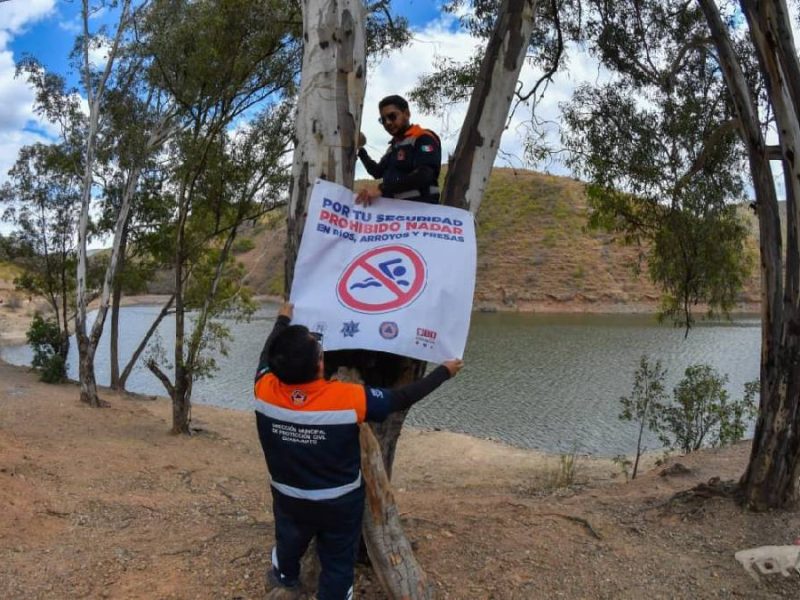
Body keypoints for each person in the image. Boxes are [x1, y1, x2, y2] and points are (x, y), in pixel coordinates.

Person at [254, 302, 463, 600]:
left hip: (289, 496)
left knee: (289, 541)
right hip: (339, 502)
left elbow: (265, 355)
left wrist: (282, 320)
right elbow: (400, 397)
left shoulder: (264, 388)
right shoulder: (347, 398)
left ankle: (285, 579)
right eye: (317, 348)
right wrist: (444, 372)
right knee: (338, 561)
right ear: (320, 365)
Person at [356, 95, 442, 206]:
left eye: (392, 116)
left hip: (421, 211)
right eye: (383, 120)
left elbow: (425, 174)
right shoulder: (393, 147)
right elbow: (377, 172)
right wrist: (361, 151)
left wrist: (382, 188)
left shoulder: (423, 137)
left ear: (406, 114)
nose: (388, 123)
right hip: (395, 212)